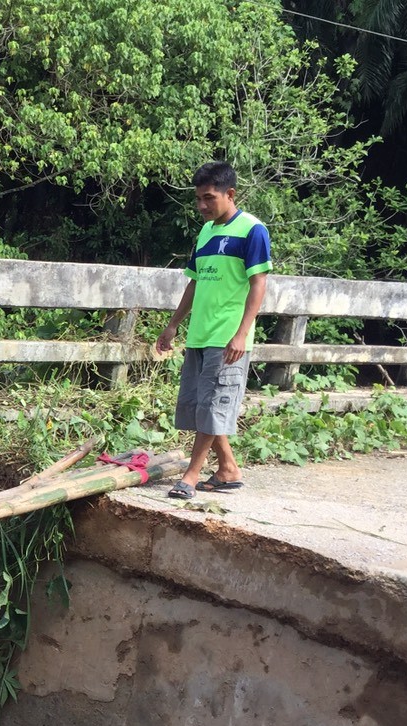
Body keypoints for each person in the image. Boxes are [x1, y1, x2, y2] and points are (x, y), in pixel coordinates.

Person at [155, 161, 271, 499]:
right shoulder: (205, 233)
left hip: (228, 337)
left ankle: (191, 476)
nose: (202, 206)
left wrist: (241, 332)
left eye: (209, 198)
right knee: (200, 407)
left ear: (230, 194)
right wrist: (173, 325)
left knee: (212, 406)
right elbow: (193, 283)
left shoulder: (252, 230)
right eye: (198, 199)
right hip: (200, 334)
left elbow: (259, 284)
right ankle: (228, 469)